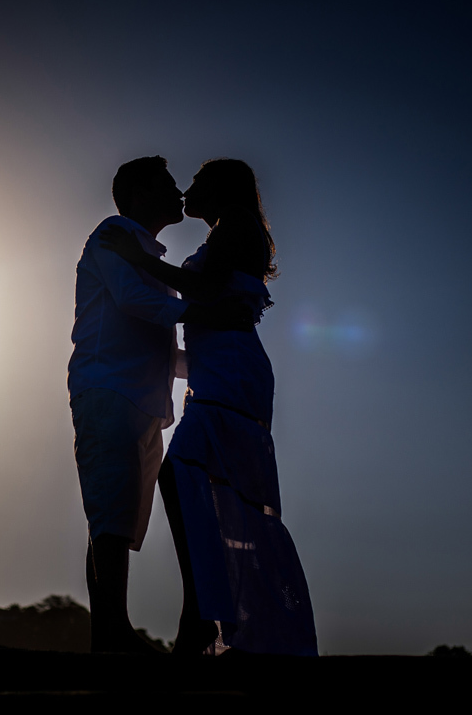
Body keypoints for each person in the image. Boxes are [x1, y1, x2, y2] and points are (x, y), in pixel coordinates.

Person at [100, 158, 318, 656]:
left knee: (184, 478)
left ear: (219, 187)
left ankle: (201, 615)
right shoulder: (226, 231)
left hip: (231, 371)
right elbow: (206, 303)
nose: (188, 187)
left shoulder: (235, 224)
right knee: (193, 484)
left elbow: (201, 290)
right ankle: (201, 614)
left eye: (197, 180)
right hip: (215, 370)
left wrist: (139, 258)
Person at [68, 155, 250, 653]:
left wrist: (218, 362)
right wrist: (206, 311)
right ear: (141, 192)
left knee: (119, 516)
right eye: (168, 183)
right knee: (110, 515)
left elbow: (159, 343)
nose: (178, 192)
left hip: (143, 401)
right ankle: (112, 633)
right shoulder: (112, 236)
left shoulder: (146, 251)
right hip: (109, 391)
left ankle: (110, 632)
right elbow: (132, 301)